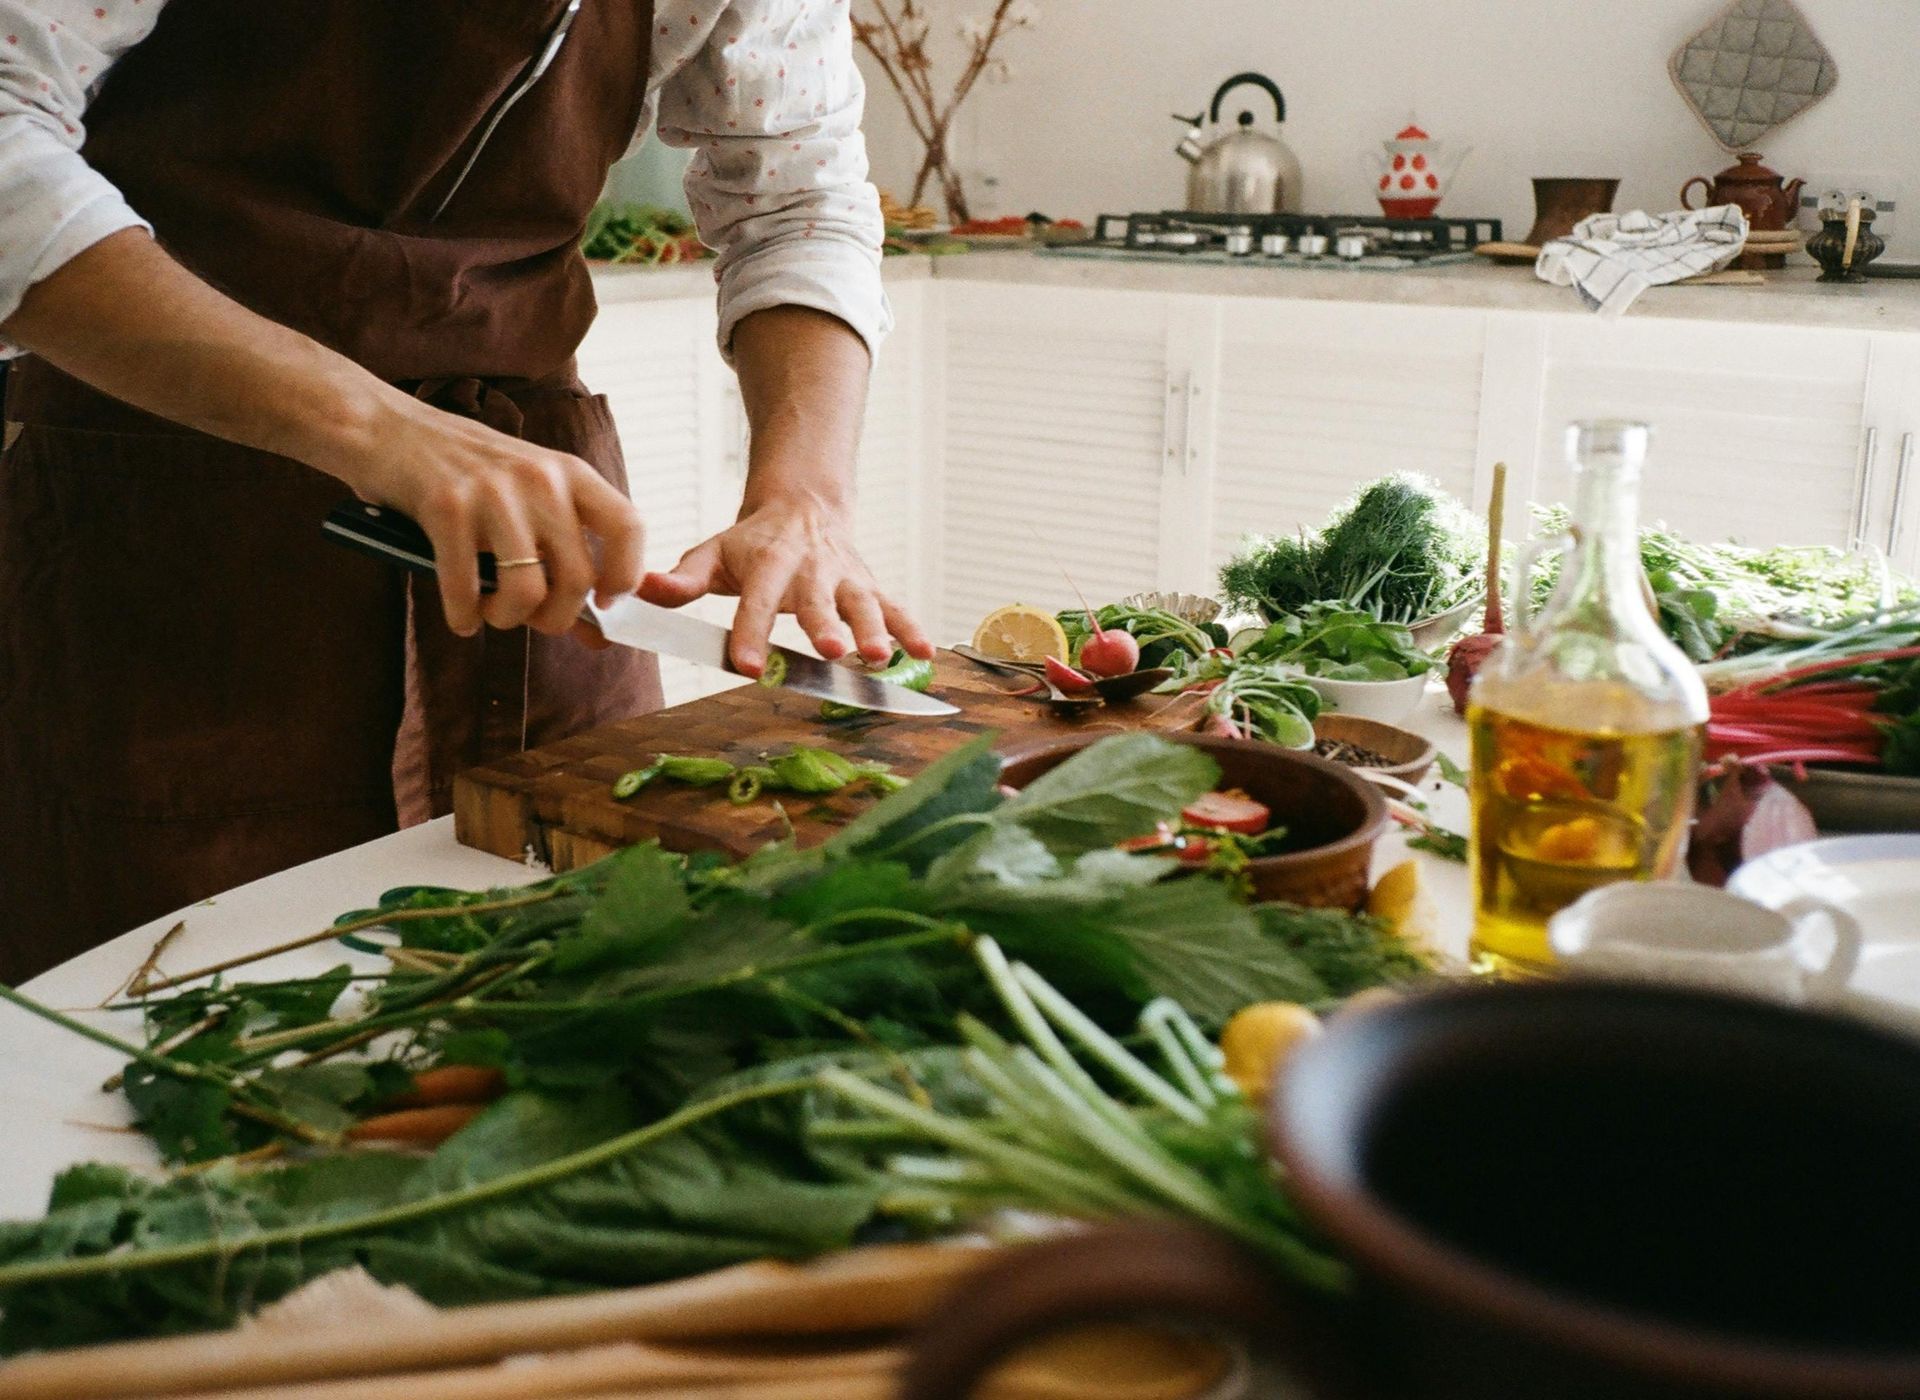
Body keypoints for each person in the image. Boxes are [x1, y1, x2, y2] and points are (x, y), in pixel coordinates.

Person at [0, 0, 932, 983]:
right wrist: (373, 426)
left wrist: (804, 492)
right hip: (161, 527)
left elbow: (798, 195)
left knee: (573, 994)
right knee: (151, 1026)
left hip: (540, 552)